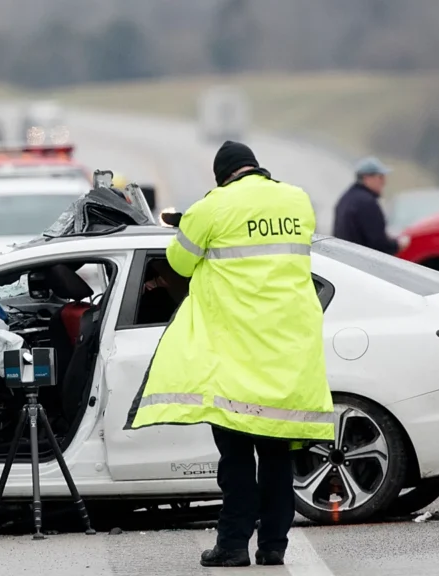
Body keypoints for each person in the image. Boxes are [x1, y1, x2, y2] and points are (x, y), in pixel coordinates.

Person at [124, 141, 335, 567]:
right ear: (255, 167)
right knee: (277, 458)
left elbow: (179, 263)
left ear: (221, 175)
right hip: (287, 352)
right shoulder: (297, 200)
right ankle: (274, 546)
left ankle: (233, 545)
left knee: (236, 460)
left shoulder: (213, 207)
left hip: (236, 356)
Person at [332, 156, 399, 254]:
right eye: (380, 177)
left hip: (344, 257)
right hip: (360, 261)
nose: (384, 182)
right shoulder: (367, 203)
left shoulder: (346, 199)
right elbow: (378, 243)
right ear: (366, 178)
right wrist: (397, 245)